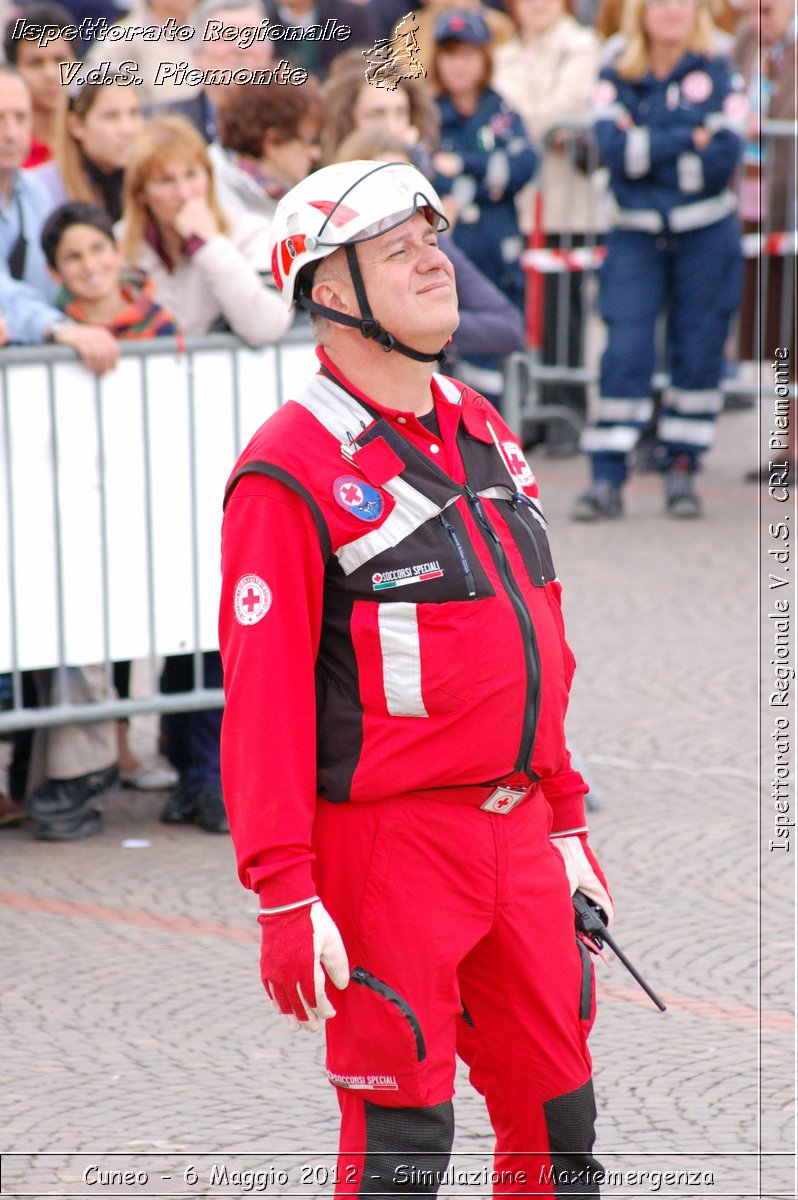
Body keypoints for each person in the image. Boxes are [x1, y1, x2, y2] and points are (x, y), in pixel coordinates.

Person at [219, 159, 613, 1195]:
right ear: (332, 293)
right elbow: (261, 706)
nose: (433, 259)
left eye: (431, 237)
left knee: (561, 1124)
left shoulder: (482, 424)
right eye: (399, 249)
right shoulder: (286, 468)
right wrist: (282, 894)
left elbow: (541, 637)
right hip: (389, 852)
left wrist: (566, 822)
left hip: (521, 835)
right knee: (403, 1143)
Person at [120, 113, 290, 835]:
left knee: (221, 616)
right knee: (177, 617)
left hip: (228, 448)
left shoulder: (238, 236)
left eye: (191, 174)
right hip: (158, 449)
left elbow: (264, 322)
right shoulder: (130, 253)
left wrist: (206, 241)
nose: (182, 188)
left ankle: (213, 773)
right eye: (165, 180)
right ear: (142, 191)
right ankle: (185, 762)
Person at [571, 0, 746, 521]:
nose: (672, 10)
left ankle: (682, 469)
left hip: (707, 234)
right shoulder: (616, 68)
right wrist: (685, 143)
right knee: (623, 350)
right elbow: (614, 152)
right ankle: (606, 475)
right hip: (634, 235)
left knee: (698, 349)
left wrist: (649, 149)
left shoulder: (718, 68)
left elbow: (722, 158)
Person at [494, 0, 602, 451]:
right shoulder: (503, 51)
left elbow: (567, 106)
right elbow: (506, 115)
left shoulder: (581, 44)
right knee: (520, 308)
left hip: (565, 205)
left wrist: (529, 124)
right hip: (516, 202)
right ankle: (527, 407)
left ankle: (566, 410)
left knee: (562, 312)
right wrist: (535, 125)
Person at [429, 10, 538, 402]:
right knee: (455, 368)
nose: (458, 65)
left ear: (485, 58)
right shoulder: (430, 115)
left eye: (468, 54)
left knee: (501, 355)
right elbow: (429, 176)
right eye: (450, 54)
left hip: (500, 258)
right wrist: (488, 177)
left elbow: (523, 165)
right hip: (452, 258)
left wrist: (461, 167)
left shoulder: (501, 112)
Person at [32, 70, 145, 222]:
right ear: (76, 126)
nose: (127, 129)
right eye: (111, 116)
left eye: (134, 113)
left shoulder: (150, 182)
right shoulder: (42, 189)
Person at [209, 81, 322, 221]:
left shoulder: (279, 189)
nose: (316, 153)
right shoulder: (217, 191)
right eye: (310, 142)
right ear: (273, 142)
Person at [2, 2, 79, 168]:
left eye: (60, 60)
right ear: (13, 69)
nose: (50, 74)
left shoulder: (90, 141)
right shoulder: (7, 147)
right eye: (35, 63)